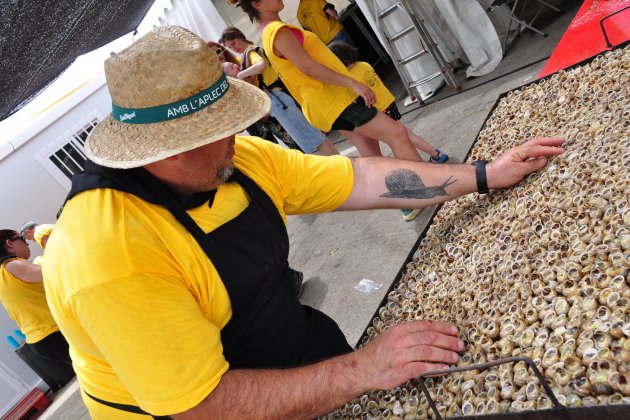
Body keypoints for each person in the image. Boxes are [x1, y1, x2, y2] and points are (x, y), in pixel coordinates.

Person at [42, 26, 564, 419]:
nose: (236, 138)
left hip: (282, 351)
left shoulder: (236, 158)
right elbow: (201, 406)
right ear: (163, 148)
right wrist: (366, 369)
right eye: (218, 131)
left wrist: (482, 173)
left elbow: (358, 181)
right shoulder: (110, 255)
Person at [239, 0, 449, 220]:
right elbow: (308, 68)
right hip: (337, 98)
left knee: (370, 151)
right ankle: (426, 188)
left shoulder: (269, 32)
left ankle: (407, 204)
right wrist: (353, 83)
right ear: (257, 3)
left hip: (329, 103)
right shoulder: (277, 31)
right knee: (397, 134)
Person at [219, 26, 339, 156]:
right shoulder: (249, 53)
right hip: (279, 98)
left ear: (240, 37)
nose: (233, 48)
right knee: (312, 134)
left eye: (233, 44)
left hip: (277, 98)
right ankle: (340, 161)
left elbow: (260, 65)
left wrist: (240, 75)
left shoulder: (250, 53)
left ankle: (338, 164)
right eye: (230, 47)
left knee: (310, 136)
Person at [329, 40, 449, 163]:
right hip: (388, 104)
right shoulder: (364, 65)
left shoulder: (347, 80)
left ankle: (435, 154)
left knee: (405, 136)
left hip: (376, 112)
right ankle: (432, 154)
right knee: (404, 135)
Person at [0, 230, 74, 390]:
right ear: (9, 243)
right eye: (22, 239)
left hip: (42, 339)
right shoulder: (12, 265)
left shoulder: (3, 274)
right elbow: (58, 272)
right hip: (53, 333)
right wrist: (43, 236)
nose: (27, 244)